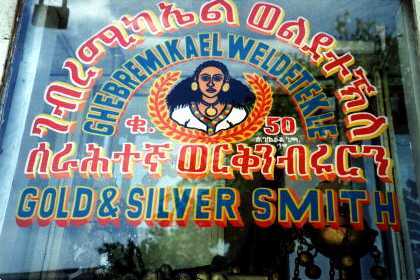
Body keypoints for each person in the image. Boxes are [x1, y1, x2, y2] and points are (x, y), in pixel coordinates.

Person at [166, 60, 256, 135]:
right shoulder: (181, 113)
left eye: (217, 79)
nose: (211, 84)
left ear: (225, 83)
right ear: (196, 81)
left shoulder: (238, 113)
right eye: (205, 78)